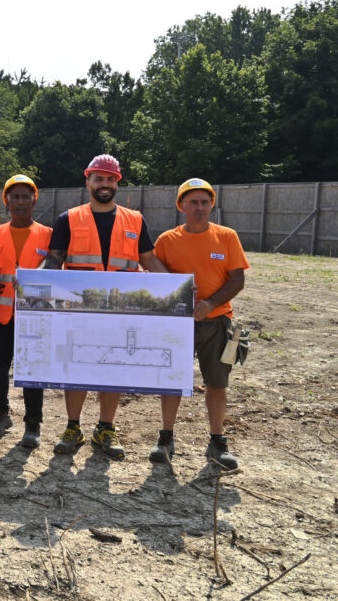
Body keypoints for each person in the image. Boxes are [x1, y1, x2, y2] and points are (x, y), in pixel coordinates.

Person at [42, 154, 167, 461]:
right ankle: (73, 427)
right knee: (77, 369)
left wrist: (176, 288)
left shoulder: (135, 220)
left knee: (113, 368)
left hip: (121, 312)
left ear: (117, 183)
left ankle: (105, 428)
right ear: (88, 182)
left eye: (111, 179)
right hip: (79, 311)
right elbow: (54, 261)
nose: (105, 184)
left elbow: (148, 260)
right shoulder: (68, 219)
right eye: (99, 178)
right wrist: (35, 292)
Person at [150, 178, 248, 469]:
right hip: (178, 325)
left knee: (216, 384)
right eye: (193, 202)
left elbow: (237, 280)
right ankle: (166, 438)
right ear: (181, 206)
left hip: (217, 322)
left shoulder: (227, 236)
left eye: (205, 202)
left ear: (212, 205)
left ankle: (217, 442)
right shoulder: (167, 240)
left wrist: (210, 304)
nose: (199, 207)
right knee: (172, 382)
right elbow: (157, 278)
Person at [0, 175, 51, 449]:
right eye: (16, 197)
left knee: (33, 372)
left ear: (34, 200)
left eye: (26, 196)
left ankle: (33, 424)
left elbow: (58, 274)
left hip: (34, 318)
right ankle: (0, 416)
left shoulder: (48, 235)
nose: (21, 201)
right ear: (7, 201)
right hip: (1, 317)